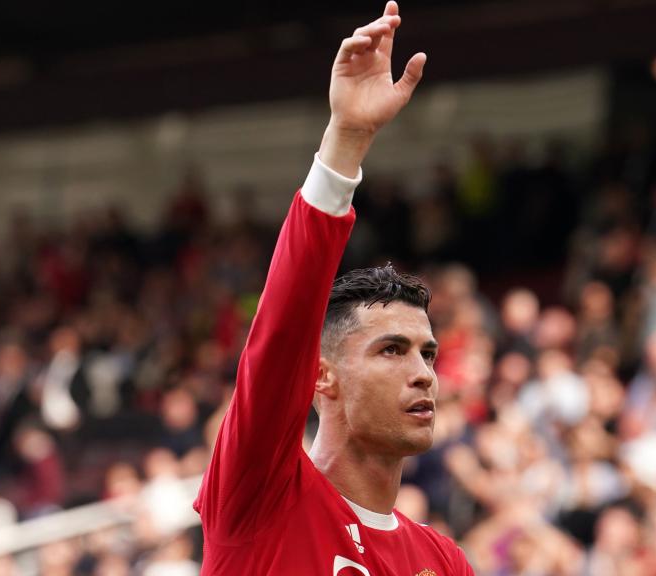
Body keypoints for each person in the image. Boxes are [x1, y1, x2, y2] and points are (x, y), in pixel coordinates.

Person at [194, 3, 474, 573]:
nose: (423, 372)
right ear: (320, 375)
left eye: (427, 353)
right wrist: (345, 140)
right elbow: (281, 328)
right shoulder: (260, 495)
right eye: (391, 349)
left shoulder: (444, 561)